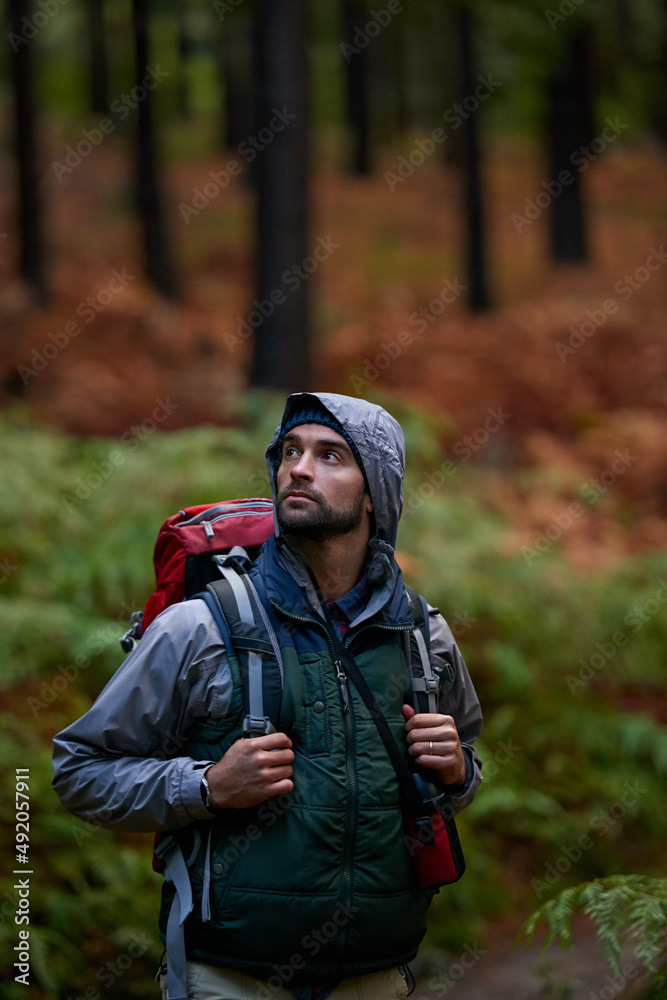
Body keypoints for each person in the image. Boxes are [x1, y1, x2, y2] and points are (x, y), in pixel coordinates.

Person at [52, 391, 483, 1000]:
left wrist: (458, 772)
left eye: (331, 455)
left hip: (378, 976)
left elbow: (460, 774)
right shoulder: (200, 628)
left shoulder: (420, 635)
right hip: (229, 977)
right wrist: (205, 787)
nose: (299, 468)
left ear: (375, 494)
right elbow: (79, 770)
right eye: (290, 451)